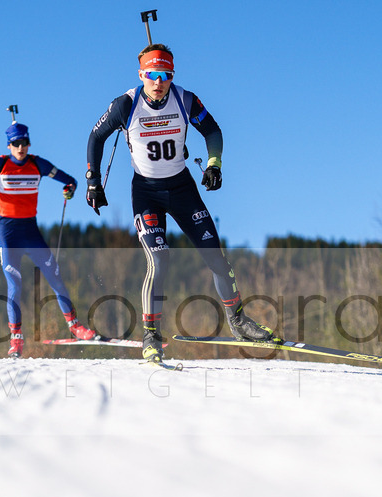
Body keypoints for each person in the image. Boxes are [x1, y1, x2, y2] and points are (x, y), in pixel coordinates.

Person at [86, 43, 277, 362]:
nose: (159, 82)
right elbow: (96, 137)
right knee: (159, 260)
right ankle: (150, 335)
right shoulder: (125, 104)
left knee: (216, 258)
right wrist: (93, 181)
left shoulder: (185, 99)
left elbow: (212, 130)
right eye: (152, 74)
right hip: (146, 193)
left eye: (166, 74)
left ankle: (239, 322)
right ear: (141, 74)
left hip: (182, 189)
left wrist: (214, 164)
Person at [0, 122, 99, 358]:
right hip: (9, 234)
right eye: (16, 144)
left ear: (28, 143)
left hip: (31, 231)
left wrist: (69, 189)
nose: (21, 148)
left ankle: (76, 327)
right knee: (15, 287)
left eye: (24, 143)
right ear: (9, 145)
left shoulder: (38, 164)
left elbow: (70, 180)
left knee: (55, 278)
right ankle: (16, 340)